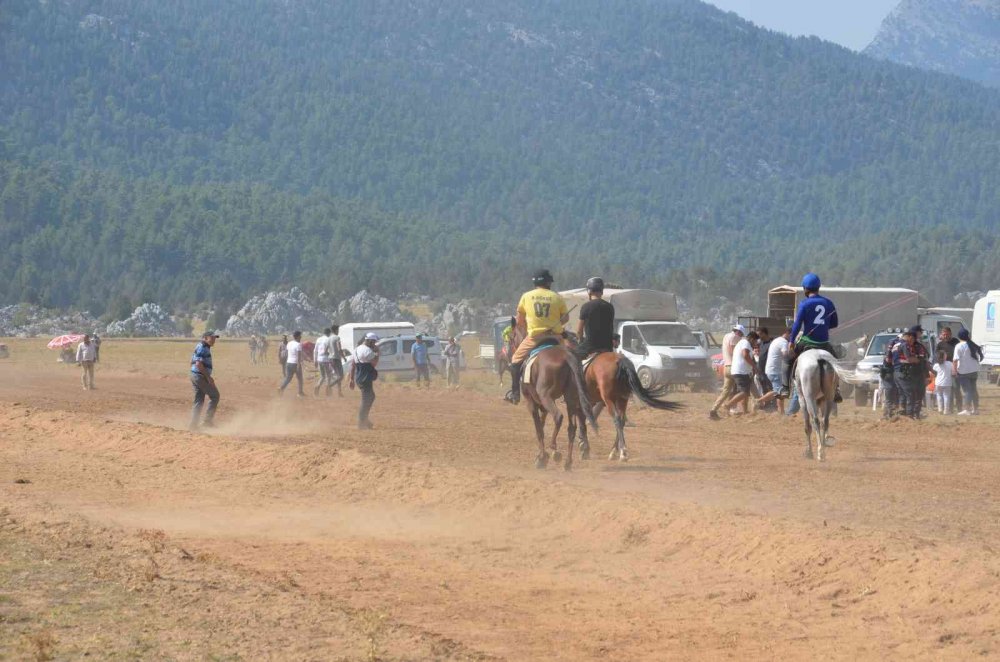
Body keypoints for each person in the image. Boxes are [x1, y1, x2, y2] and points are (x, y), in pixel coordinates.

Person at [505, 269, 569, 405]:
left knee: (515, 360)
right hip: (556, 338)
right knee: (571, 359)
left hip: (535, 338)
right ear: (548, 283)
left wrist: (529, 325)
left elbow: (520, 320)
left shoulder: (526, 296)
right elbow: (565, 318)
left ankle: (515, 393)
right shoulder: (557, 297)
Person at [780, 273, 842, 403]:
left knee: (787, 360)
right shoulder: (828, 303)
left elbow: (797, 325)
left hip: (807, 342)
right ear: (818, 287)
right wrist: (823, 326)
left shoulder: (804, 304)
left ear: (805, 289)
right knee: (836, 362)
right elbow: (835, 323)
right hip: (824, 343)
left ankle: (785, 388)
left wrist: (791, 341)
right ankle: (836, 389)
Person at [575, 277, 616, 360]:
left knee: (573, 359)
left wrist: (580, 340)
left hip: (590, 346)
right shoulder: (610, 307)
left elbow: (579, 331)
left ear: (589, 291)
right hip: (607, 346)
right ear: (602, 291)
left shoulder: (586, 306)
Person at [709, 324, 744, 420]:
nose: (741, 336)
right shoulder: (735, 337)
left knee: (726, 391)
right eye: (741, 334)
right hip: (734, 367)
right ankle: (732, 407)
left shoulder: (725, 336)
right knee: (742, 390)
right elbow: (733, 350)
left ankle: (713, 410)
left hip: (726, 367)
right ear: (738, 332)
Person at [895, 326, 929, 419]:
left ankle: (915, 414)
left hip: (917, 373)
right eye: (919, 333)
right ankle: (908, 414)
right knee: (910, 395)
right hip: (909, 373)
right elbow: (912, 360)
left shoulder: (918, 346)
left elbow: (923, 361)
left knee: (918, 395)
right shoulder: (905, 345)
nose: (920, 335)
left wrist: (926, 376)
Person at [190, 330, 221, 431]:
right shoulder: (203, 347)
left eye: (214, 338)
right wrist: (208, 377)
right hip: (200, 377)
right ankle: (207, 422)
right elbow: (198, 364)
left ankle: (193, 425)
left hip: (195, 375)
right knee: (215, 396)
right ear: (205, 338)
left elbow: (192, 362)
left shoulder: (201, 346)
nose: (213, 340)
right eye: (211, 338)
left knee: (199, 400)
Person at [724, 329, 759, 415]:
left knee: (745, 392)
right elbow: (745, 355)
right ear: (751, 338)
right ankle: (728, 405)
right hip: (741, 371)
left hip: (743, 371)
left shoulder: (743, 343)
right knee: (744, 392)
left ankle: (744, 411)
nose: (755, 344)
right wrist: (754, 366)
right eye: (755, 341)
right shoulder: (745, 343)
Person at [350, 332, 380, 428]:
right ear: (369, 341)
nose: (374, 344)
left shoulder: (356, 349)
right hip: (366, 376)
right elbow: (374, 364)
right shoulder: (368, 351)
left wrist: (351, 379)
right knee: (367, 398)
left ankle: (364, 420)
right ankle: (362, 421)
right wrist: (377, 353)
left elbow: (353, 365)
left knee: (370, 397)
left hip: (359, 376)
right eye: (373, 342)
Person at [758, 328, 791, 414]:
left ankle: (760, 401)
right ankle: (781, 412)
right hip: (775, 370)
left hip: (771, 370)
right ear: (787, 333)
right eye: (791, 336)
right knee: (779, 392)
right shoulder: (784, 342)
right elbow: (785, 355)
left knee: (777, 391)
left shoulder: (776, 340)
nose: (791, 338)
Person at [954, 328, 983, 415]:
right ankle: (976, 409)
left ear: (959, 336)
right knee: (973, 389)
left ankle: (967, 409)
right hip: (974, 371)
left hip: (964, 372)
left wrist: (955, 371)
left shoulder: (959, 346)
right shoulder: (972, 344)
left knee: (967, 391)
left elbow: (955, 360)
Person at [278, 330, 305, 397]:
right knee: (300, 379)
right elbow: (299, 356)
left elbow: (287, 353)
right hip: (295, 363)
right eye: (300, 336)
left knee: (288, 378)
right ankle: (300, 393)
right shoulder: (298, 344)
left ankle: (281, 388)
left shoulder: (289, 343)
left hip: (288, 363)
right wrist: (299, 365)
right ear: (298, 336)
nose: (301, 337)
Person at [932, 349, 954, 415]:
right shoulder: (950, 364)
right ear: (944, 356)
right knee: (946, 396)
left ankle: (940, 409)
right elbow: (953, 371)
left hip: (938, 383)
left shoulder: (936, 365)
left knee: (939, 396)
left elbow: (934, 371)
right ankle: (946, 410)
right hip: (947, 382)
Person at [313, 328, 333, 396]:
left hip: (319, 359)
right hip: (326, 359)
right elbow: (330, 351)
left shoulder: (318, 339)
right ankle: (327, 391)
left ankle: (317, 386)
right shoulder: (328, 339)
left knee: (322, 376)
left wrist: (315, 360)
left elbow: (315, 350)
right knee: (329, 376)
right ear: (329, 333)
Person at [328, 324, 344, 396]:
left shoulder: (329, 338)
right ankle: (330, 385)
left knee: (338, 376)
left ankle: (339, 392)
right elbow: (339, 349)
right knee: (341, 376)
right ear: (335, 330)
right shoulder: (337, 338)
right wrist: (343, 357)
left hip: (330, 358)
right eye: (338, 330)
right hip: (336, 358)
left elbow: (326, 349)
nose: (338, 331)